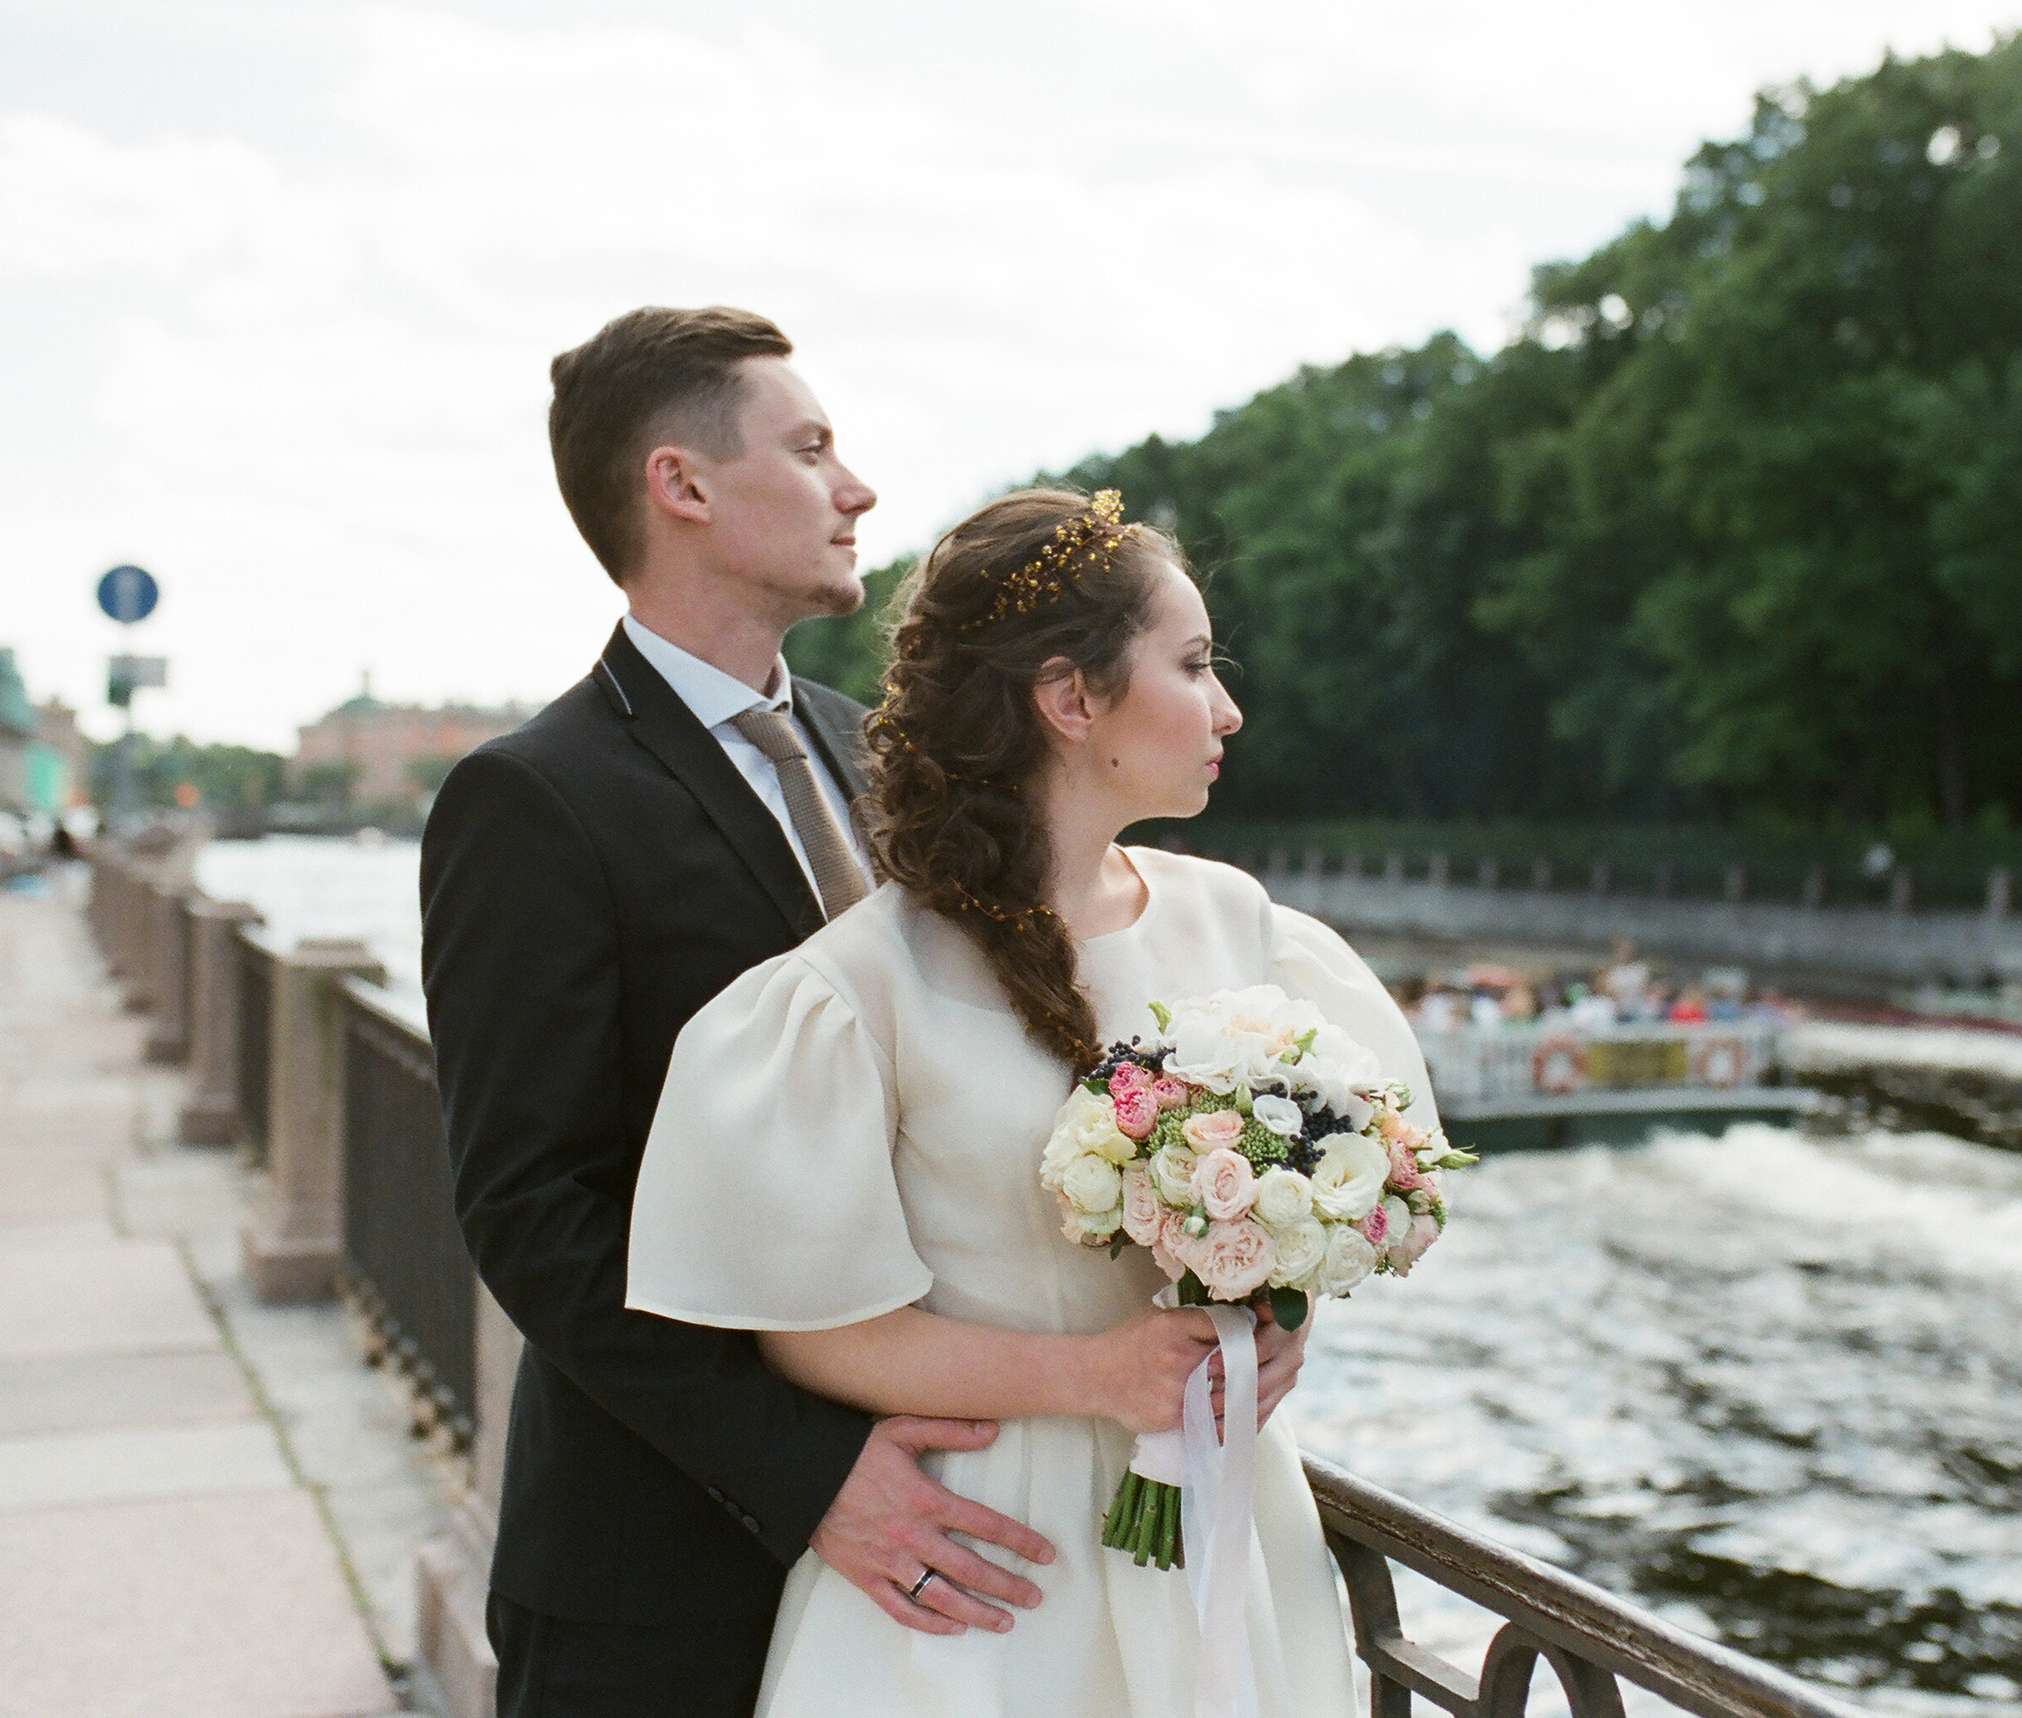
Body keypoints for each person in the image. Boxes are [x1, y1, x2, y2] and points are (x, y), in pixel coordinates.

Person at [427, 310, 1237, 1717]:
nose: (856, 488)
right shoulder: (533, 797)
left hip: (969, 1542)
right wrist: (807, 1471)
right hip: (664, 1558)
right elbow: (530, 1209)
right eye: (810, 450)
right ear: (681, 485)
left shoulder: (881, 757)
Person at [627, 487, 1441, 1717]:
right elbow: (816, 1327)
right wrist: (1099, 1375)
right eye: (1194, 663)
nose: (1228, 708)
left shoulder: (1245, 926)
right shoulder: (859, 986)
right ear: (1071, 700)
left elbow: (1374, 1187)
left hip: (1229, 1529)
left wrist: (1278, 1316)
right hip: (991, 1558)